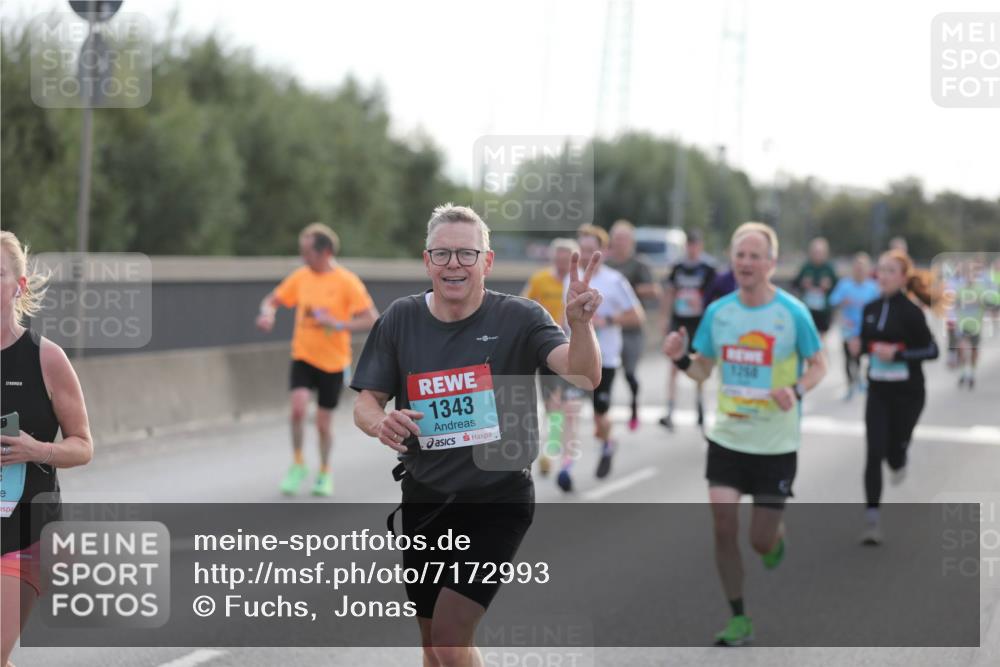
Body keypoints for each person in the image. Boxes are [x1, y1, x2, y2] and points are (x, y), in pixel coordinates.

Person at [351, 204, 603, 667]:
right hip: (424, 498)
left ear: (486, 262)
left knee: (449, 638)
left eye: (466, 254)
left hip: (497, 499)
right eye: (442, 254)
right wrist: (379, 422)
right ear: (426, 261)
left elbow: (584, 375)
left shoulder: (520, 318)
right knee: (432, 644)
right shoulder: (400, 319)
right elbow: (366, 402)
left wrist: (581, 325)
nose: (454, 265)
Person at [663, 222, 826, 646]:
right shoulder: (719, 312)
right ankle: (739, 617)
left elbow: (819, 364)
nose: (747, 263)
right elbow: (702, 370)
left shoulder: (793, 313)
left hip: (775, 444)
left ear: (771, 263)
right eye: (740, 255)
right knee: (722, 525)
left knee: (759, 540)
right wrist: (682, 359)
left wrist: (795, 390)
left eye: (756, 256)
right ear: (732, 261)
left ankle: (774, 540)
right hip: (729, 438)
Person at [1, 231, 93, 667]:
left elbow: (83, 446)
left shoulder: (46, 358)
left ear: (18, 286)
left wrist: (36, 449)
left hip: (28, 531)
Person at [256, 223, 378, 497]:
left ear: (325, 252)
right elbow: (272, 300)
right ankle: (298, 463)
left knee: (323, 423)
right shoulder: (300, 277)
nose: (303, 257)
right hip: (303, 356)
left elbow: (371, 319)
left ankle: (324, 470)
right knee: (298, 410)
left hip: (334, 362)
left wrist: (338, 324)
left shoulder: (347, 282)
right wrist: (268, 314)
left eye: (307, 252)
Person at [854, 250, 938, 545]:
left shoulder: (912, 311)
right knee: (873, 452)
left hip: (908, 395)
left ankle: (899, 456)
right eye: (881, 270)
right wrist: (859, 347)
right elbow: (866, 343)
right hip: (878, 390)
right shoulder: (870, 308)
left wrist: (898, 354)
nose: (884, 276)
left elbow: (932, 351)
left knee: (892, 452)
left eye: (891, 271)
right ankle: (872, 519)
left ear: (903, 277)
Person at [556, 224, 644, 491]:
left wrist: (607, 319)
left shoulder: (615, 281)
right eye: (581, 249)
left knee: (599, 419)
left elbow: (636, 317)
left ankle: (608, 442)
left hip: (605, 360)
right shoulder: (570, 279)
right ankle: (566, 467)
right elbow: (565, 317)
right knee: (569, 412)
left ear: (603, 251)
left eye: (590, 249)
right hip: (574, 358)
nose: (584, 254)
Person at [522, 238, 580, 476]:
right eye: (559, 257)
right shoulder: (540, 279)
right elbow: (524, 304)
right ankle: (553, 448)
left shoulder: (578, 283)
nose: (562, 262)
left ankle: (563, 458)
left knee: (568, 407)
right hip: (547, 351)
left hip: (573, 350)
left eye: (567, 258)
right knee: (552, 406)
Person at [605, 220, 660, 431]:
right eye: (616, 239)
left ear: (631, 242)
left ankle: (634, 406)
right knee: (605, 373)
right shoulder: (606, 264)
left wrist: (628, 291)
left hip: (632, 329)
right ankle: (603, 410)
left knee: (629, 373)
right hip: (610, 329)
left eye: (623, 239)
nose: (619, 243)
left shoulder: (639, 265)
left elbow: (654, 290)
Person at [659, 229, 716, 431]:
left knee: (697, 364)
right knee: (674, 364)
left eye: (695, 245)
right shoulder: (678, 267)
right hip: (680, 321)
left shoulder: (708, 268)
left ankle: (700, 408)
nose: (692, 249)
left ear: (700, 246)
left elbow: (713, 297)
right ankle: (670, 410)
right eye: (689, 245)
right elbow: (670, 292)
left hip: (698, 322)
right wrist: (665, 318)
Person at [828, 253, 880, 400]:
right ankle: (850, 384)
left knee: (867, 357)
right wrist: (843, 301)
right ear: (853, 269)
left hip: (866, 328)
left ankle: (864, 381)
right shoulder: (845, 284)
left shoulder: (872, 286)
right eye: (857, 268)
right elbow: (832, 300)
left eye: (862, 268)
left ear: (868, 270)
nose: (859, 271)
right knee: (848, 358)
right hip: (848, 329)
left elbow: (879, 305)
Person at [792, 237, 838, 337]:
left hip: (823, 311)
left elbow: (837, 288)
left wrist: (828, 286)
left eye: (820, 252)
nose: (817, 255)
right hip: (808, 309)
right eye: (815, 252)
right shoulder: (806, 267)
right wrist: (803, 284)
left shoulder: (829, 268)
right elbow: (795, 284)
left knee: (821, 341)